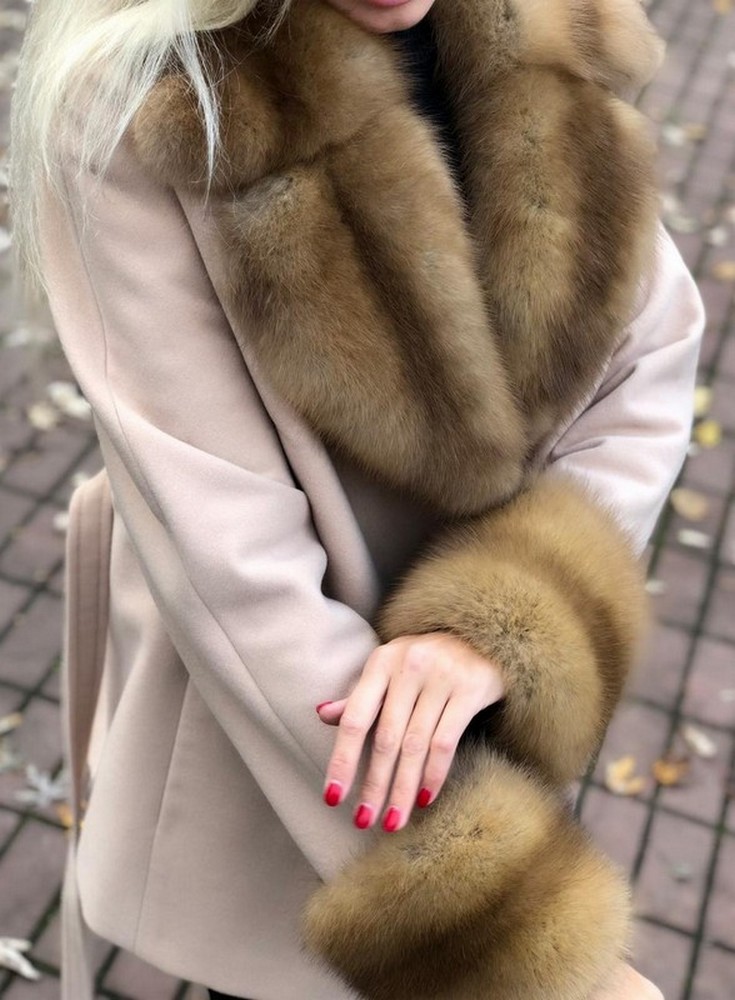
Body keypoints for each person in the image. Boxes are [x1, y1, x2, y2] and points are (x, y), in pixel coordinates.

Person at [9, 0, 703, 997]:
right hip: (287, 732)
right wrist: (520, 941)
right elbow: (235, 563)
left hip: (486, 716)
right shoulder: (144, 101)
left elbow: (647, 354)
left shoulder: (549, 20)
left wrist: (509, 615)